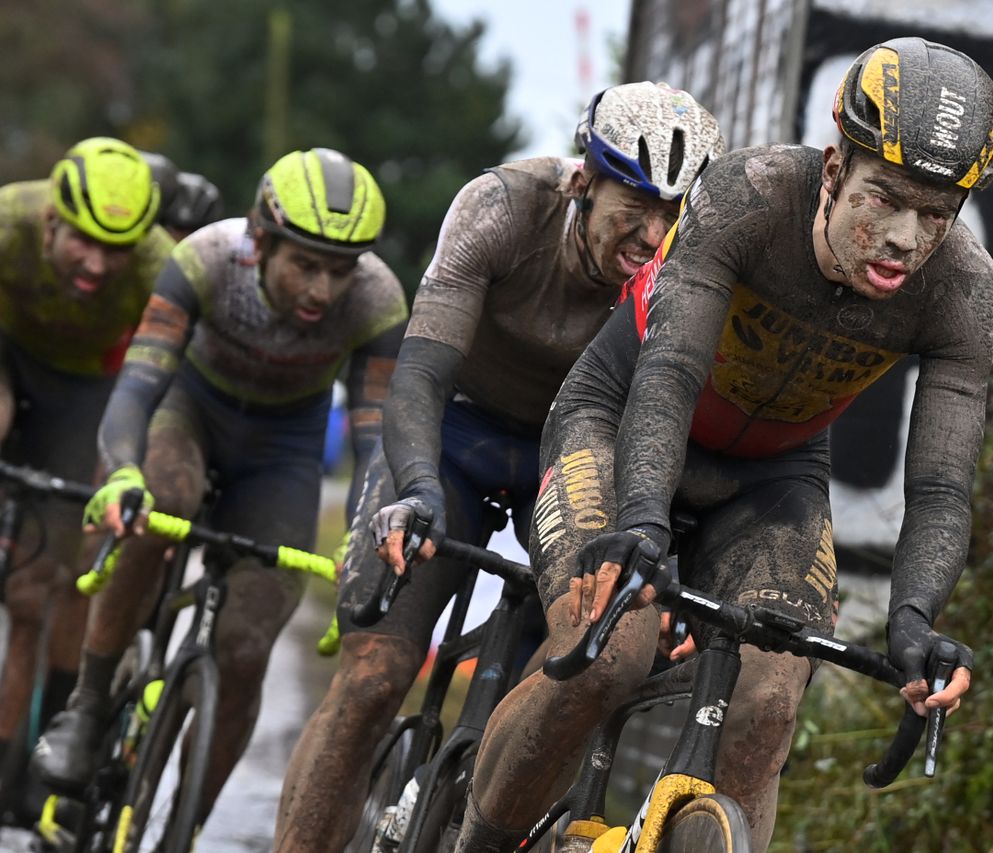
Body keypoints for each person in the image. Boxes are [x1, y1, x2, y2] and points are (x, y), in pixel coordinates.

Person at [455, 37, 993, 851]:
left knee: (770, 698)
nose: (902, 237)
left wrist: (915, 620)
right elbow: (671, 372)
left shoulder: (962, 288)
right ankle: (479, 840)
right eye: (883, 198)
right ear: (831, 172)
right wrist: (640, 520)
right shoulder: (747, 195)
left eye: (935, 213)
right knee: (613, 649)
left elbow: (938, 486)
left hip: (772, 476)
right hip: (623, 419)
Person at [273, 82, 725, 852]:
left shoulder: (690, 272)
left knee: (582, 662)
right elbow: (417, 376)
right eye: (636, 207)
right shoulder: (503, 207)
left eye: (672, 215)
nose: (654, 235)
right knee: (375, 677)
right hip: (456, 437)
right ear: (585, 179)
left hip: (570, 457)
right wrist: (415, 489)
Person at [31, 148, 409, 827]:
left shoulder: (378, 298)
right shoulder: (204, 258)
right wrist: (122, 469)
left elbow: (374, 434)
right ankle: (87, 707)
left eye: (340, 269)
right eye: (306, 264)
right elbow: (141, 381)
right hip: (191, 410)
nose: (323, 290)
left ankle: (186, 822)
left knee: (243, 648)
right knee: (160, 501)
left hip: (282, 450)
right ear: (261, 241)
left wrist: (365, 523)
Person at [0, 137, 171, 818]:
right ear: (50, 223)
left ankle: (19, 770)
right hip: (8, 353)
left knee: (39, 597)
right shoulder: (10, 217)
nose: (98, 265)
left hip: (85, 387)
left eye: (116, 248)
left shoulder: (160, 265)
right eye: (83, 243)